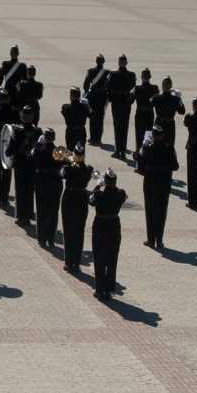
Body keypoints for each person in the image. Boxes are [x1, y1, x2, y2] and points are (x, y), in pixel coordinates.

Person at [90, 168, 126, 301]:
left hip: (100, 226)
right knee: (112, 259)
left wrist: (98, 185)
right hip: (114, 227)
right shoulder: (120, 193)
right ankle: (109, 289)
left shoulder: (99, 195)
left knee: (99, 258)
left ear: (105, 181)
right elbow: (120, 197)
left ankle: (99, 289)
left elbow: (91, 200)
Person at [140, 125, 179, 249]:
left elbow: (137, 158)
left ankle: (151, 240)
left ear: (152, 136)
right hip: (164, 182)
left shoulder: (147, 148)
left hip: (150, 182)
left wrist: (142, 146)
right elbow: (175, 166)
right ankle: (159, 240)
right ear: (162, 136)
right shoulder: (169, 148)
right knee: (161, 211)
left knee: (150, 210)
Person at [60, 149, 92, 270]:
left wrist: (67, 162)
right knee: (79, 231)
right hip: (82, 199)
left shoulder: (68, 168)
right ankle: (77, 262)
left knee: (68, 230)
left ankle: (68, 262)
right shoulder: (88, 169)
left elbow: (61, 174)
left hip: (69, 198)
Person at [12, 104, 39, 232]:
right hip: (32, 164)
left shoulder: (17, 131)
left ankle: (21, 216)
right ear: (33, 117)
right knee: (29, 190)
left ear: (21, 116)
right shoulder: (38, 131)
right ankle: (29, 214)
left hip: (20, 164)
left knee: (20, 189)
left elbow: (10, 150)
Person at [34, 132, 64, 248]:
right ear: (54, 138)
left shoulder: (38, 150)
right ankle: (51, 239)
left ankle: (42, 239)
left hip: (41, 181)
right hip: (55, 182)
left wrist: (38, 143)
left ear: (44, 138)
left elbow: (31, 157)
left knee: (41, 211)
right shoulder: (59, 151)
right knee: (53, 212)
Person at [107, 55, 136, 157]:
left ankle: (117, 150)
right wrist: (130, 101)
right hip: (126, 102)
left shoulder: (113, 74)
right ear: (126, 63)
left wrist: (112, 99)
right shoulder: (131, 75)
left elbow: (108, 87)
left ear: (118, 63)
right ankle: (122, 151)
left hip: (116, 102)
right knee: (124, 126)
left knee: (117, 125)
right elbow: (133, 89)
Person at [84, 54, 109, 145]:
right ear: (103, 62)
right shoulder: (107, 73)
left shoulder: (90, 71)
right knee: (100, 117)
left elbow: (86, 85)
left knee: (92, 116)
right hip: (102, 96)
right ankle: (98, 138)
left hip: (93, 95)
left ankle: (92, 137)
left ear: (96, 61)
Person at [61, 85, 90, 154]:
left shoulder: (65, 107)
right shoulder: (84, 107)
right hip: (81, 132)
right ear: (79, 96)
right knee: (80, 152)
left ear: (71, 95)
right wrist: (87, 106)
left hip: (70, 133)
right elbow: (93, 116)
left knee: (70, 152)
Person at [134, 69, 157, 149]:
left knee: (139, 136)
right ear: (150, 77)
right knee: (149, 136)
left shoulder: (137, 88)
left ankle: (138, 152)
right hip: (149, 114)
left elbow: (130, 100)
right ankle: (147, 153)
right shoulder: (154, 88)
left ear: (141, 77)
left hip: (140, 114)